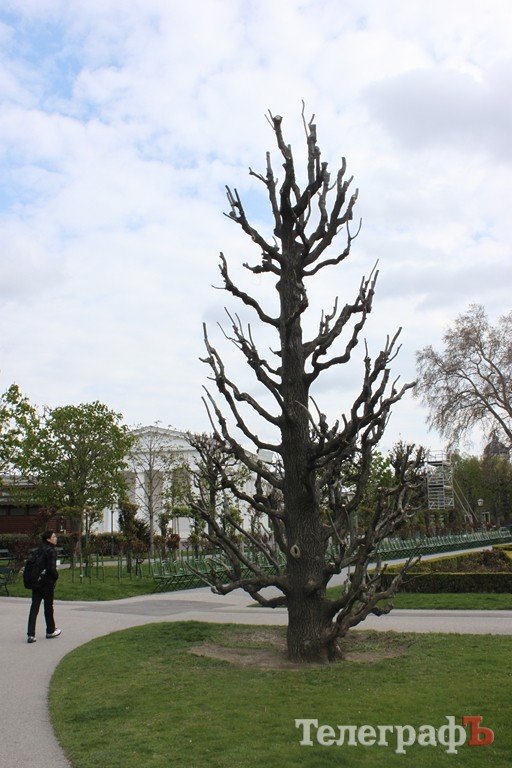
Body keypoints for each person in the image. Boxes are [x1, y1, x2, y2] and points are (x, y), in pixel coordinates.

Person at [27, 530, 61, 643]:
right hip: (47, 583)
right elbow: (51, 569)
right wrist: (56, 576)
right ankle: (50, 630)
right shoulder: (51, 551)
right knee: (48, 607)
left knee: (34, 607)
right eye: (54, 536)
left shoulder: (38, 551)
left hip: (36, 582)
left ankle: (31, 634)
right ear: (48, 539)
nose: (56, 538)